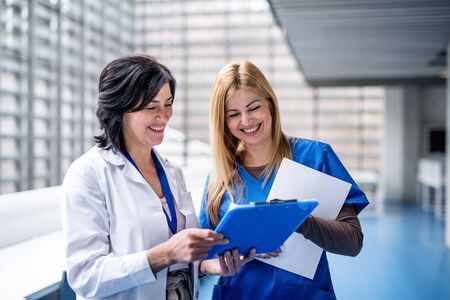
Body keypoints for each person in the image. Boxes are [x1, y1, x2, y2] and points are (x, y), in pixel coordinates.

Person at [61, 55, 235, 300]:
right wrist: (165, 254)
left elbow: (179, 262)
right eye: (151, 107)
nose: (163, 116)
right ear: (120, 109)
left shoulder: (172, 172)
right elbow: (86, 276)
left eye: (168, 103)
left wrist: (207, 266)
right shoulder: (88, 174)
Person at [198, 60, 369, 299]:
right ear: (223, 122)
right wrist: (214, 265)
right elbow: (199, 258)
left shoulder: (315, 158)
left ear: (270, 104)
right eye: (234, 114)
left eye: (254, 107)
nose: (246, 121)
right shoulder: (219, 179)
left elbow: (352, 242)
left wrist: (296, 218)